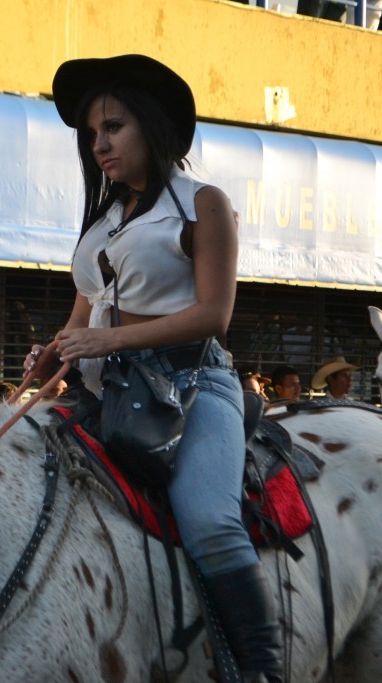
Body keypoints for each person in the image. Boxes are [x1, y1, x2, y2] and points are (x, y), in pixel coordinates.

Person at [26, 54, 282, 681]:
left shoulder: (204, 204)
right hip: (105, 395)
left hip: (194, 387)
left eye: (112, 127)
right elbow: (83, 314)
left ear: (150, 125)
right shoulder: (102, 223)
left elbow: (213, 316)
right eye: (92, 134)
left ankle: (263, 669)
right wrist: (53, 353)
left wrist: (105, 344)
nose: (99, 144)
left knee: (210, 521)